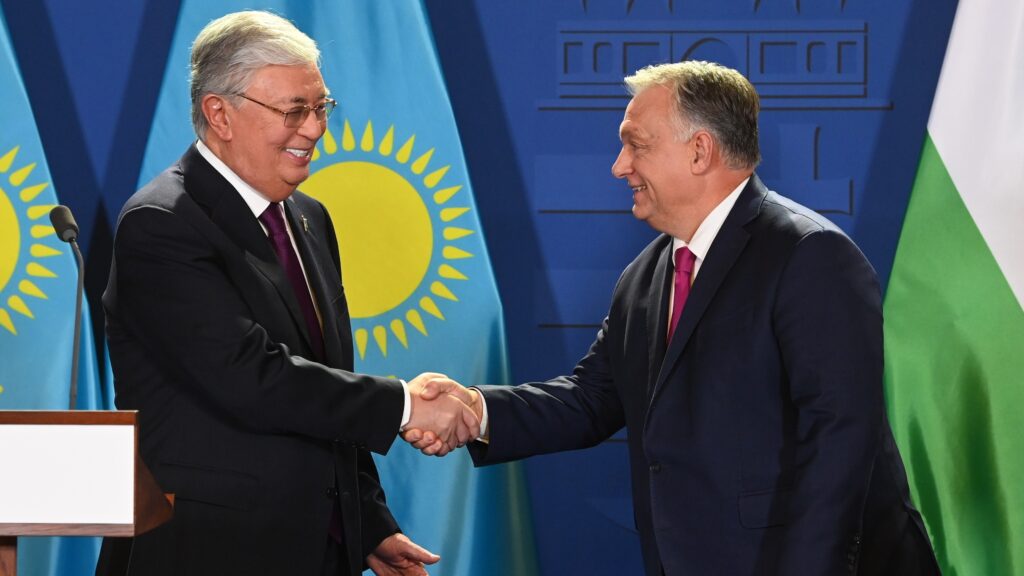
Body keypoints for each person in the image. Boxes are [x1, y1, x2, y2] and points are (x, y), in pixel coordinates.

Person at [405, 61, 940, 575]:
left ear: (700, 151)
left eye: (635, 144)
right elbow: (591, 399)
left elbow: (841, 445)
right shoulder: (647, 274)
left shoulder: (810, 255)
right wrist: (475, 411)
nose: (619, 165)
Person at [98, 11, 477, 576]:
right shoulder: (162, 222)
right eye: (294, 111)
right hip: (209, 553)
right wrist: (404, 404)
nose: (315, 128)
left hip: (318, 549)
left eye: (321, 107)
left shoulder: (308, 218)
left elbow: (325, 373)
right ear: (219, 114)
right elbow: (250, 377)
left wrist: (367, 523)